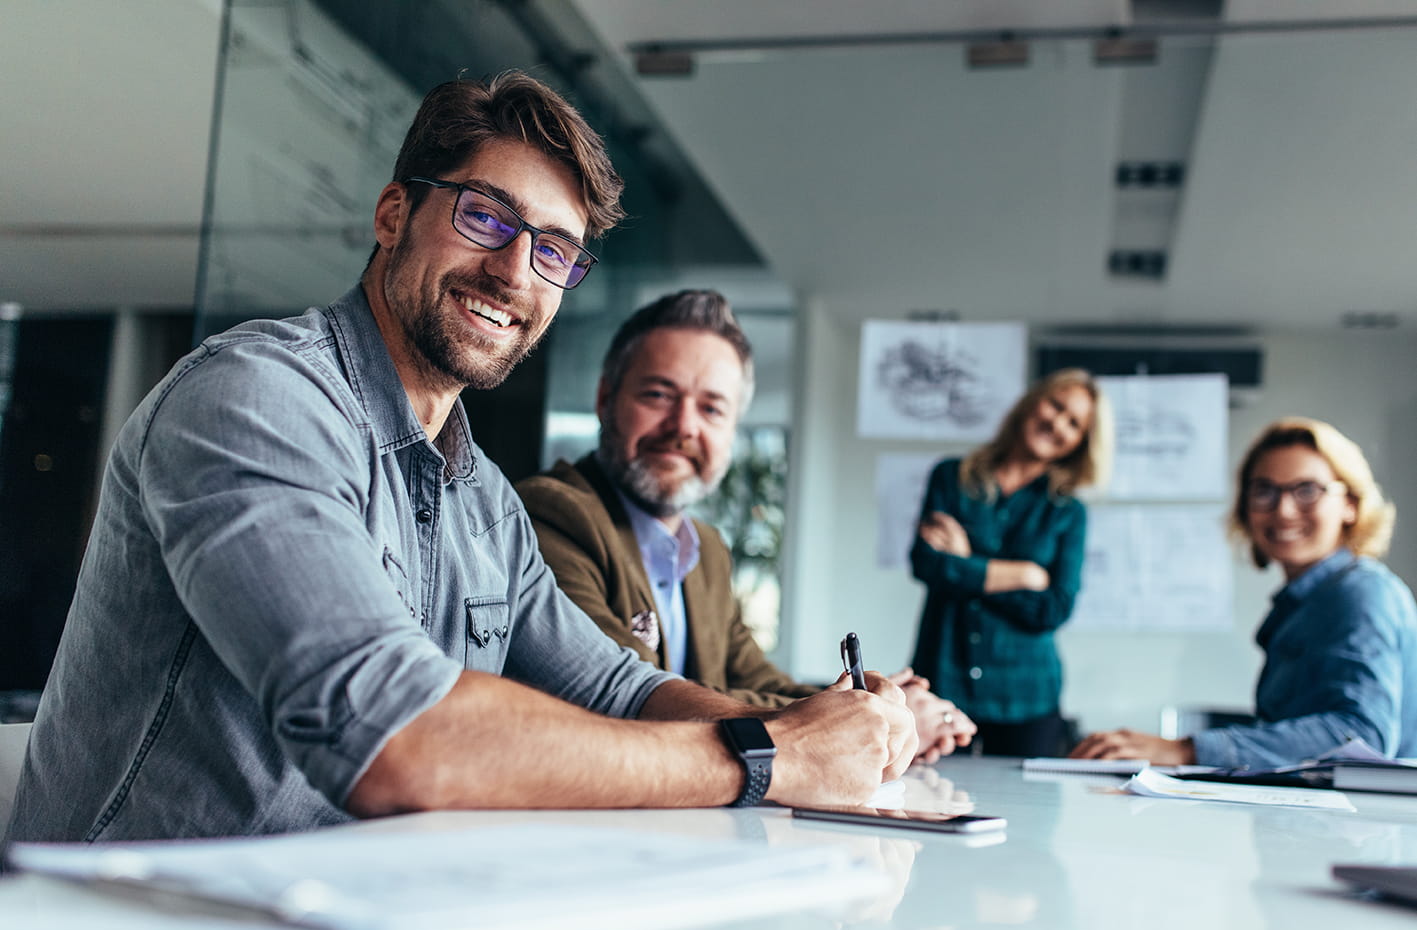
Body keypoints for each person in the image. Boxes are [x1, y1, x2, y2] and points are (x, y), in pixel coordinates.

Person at [4, 73, 916, 845]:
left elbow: (616, 685)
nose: (516, 273)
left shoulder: (480, 495)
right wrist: (767, 757)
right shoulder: (256, 397)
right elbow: (394, 736)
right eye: (486, 218)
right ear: (394, 212)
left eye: (554, 251)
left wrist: (815, 730)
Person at [516, 290, 977, 762]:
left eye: (712, 408)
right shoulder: (554, 514)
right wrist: (865, 719)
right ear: (605, 398)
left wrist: (869, 707)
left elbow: (753, 679)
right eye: (658, 395)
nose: (684, 426)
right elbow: (631, 693)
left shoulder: (706, 550)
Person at [1070, 417, 1417, 768]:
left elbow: (1363, 737)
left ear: (1351, 504)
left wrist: (1187, 750)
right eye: (1264, 491)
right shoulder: (1305, 603)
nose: (1283, 509)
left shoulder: (1362, 595)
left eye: (1307, 490)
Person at [908, 368, 1112, 757]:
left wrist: (966, 560)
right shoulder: (951, 477)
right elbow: (927, 565)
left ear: (1081, 443)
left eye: (1074, 423)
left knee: (1029, 815)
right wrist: (1023, 574)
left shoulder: (1068, 511)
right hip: (943, 680)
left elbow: (1053, 608)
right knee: (927, 802)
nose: (1057, 423)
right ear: (1034, 401)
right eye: (1056, 405)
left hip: (1027, 697)